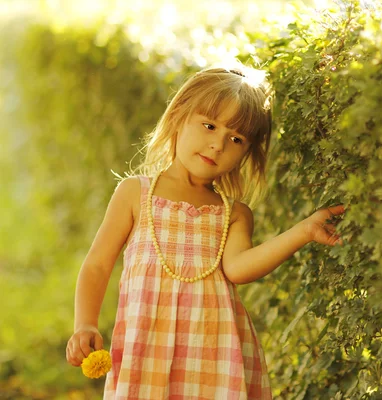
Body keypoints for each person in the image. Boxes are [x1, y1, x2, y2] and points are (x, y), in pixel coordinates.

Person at [65, 65, 345, 399]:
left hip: (214, 354)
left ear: (247, 152)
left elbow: (239, 268)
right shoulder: (136, 194)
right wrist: (85, 323)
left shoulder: (233, 213)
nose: (217, 145)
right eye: (209, 126)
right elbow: (97, 264)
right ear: (179, 116)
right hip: (146, 352)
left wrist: (302, 231)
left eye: (235, 138)